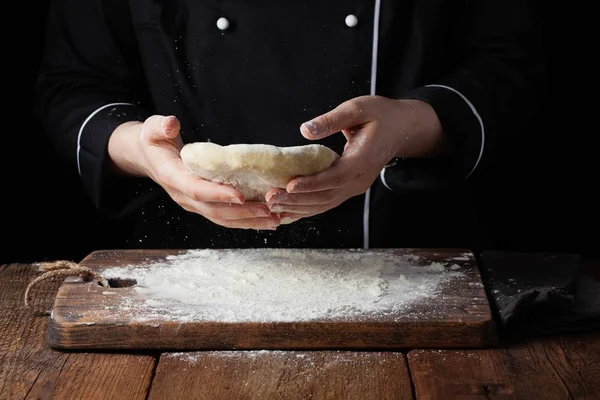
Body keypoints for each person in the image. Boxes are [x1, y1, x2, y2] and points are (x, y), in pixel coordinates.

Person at [34, 0, 546, 250]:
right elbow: (75, 83)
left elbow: (508, 66)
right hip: (183, 263)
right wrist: (146, 152)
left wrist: (410, 125)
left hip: (404, 249)